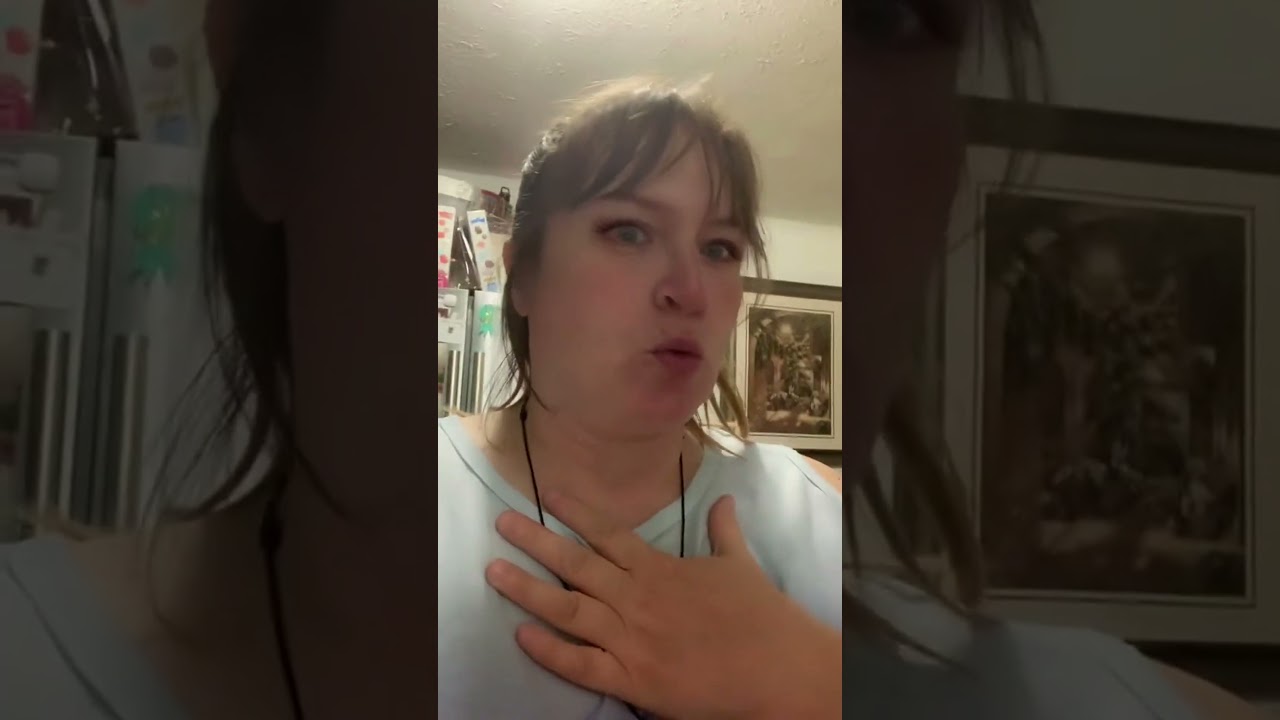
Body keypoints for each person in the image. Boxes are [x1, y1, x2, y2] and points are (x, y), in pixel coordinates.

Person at [0, 2, 1260, 720]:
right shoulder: (45, 660)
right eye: (624, 232)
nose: (685, 287)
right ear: (519, 275)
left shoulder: (806, 530)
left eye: (718, 246)